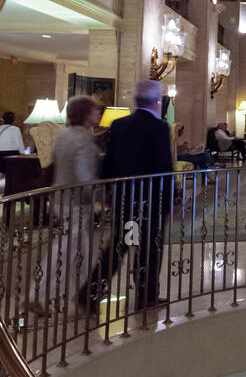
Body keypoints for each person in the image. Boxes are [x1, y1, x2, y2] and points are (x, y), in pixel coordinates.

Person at [96, 79, 174, 313]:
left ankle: (89, 292)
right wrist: (169, 200)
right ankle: (146, 296)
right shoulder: (159, 128)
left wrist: (108, 192)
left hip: (124, 198)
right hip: (150, 200)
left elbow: (108, 163)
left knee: (121, 244)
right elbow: (164, 168)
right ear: (158, 102)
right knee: (150, 247)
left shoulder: (119, 125)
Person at [31, 97, 102, 315]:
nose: (98, 114)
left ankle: (84, 296)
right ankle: (37, 295)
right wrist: (99, 197)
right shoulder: (84, 140)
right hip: (76, 203)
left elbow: (53, 163)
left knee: (80, 250)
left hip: (60, 199)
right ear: (86, 115)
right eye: (95, 111)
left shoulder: (62, 136)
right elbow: (84, 176)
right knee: (66, 248)